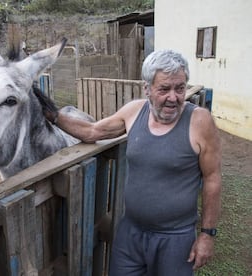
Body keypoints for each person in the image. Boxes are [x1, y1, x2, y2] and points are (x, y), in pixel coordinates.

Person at [41, 49, 222, 275]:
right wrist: (53, 115)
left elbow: (212, 178)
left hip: (175, 239)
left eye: (180, 88)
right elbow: (92, 131)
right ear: (147, 89)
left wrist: (207, 234)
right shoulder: (135, 111)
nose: (174, 97)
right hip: (131, 233)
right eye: (164, 89)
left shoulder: (199, 121)